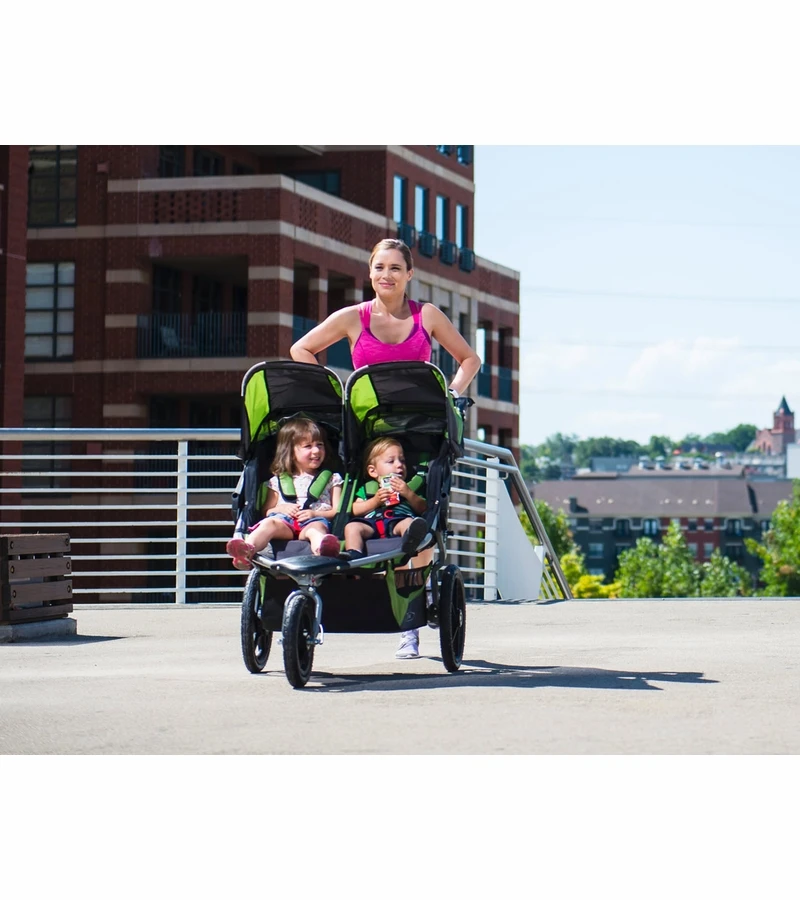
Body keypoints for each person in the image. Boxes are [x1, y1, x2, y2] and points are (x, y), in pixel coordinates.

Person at [290, 237, 481, 660]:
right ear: (370, 272)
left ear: (409, 274)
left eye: (395, 268)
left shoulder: (426, 315)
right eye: (379, 267)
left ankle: (410, 620)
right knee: (354, 510)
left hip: (422, 432)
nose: (386, 275)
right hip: (372, 436)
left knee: (422, 518)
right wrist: (333, 396)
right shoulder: (353, 317)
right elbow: (300, 348)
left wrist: (450, 395)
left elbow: (470, 359)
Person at [225, 416, 342, 569]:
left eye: (320, 445)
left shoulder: (332, 479)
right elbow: (267, 511)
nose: (316, 450)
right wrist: (281, 508)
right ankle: (247, 549)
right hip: (284, 523)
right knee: (269, 523)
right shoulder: (277, 480)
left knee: (316, 531)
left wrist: (315, 514)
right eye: (308, 446)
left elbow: (337, 510)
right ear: (291, 453)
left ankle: (323, 549)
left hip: (313, 521)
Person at [339, 437, 429, 563]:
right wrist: (375, 501)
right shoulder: (368, 489)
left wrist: (408, 494)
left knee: (409, 523)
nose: (399, 465)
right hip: (372, 524)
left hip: (398, 522)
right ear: (373, 471)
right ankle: (354, 553)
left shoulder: (410, 486)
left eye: (402, 460)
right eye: (391, 461)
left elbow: (423, 508)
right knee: (352, 526)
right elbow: (355, 509)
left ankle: (410, 543)